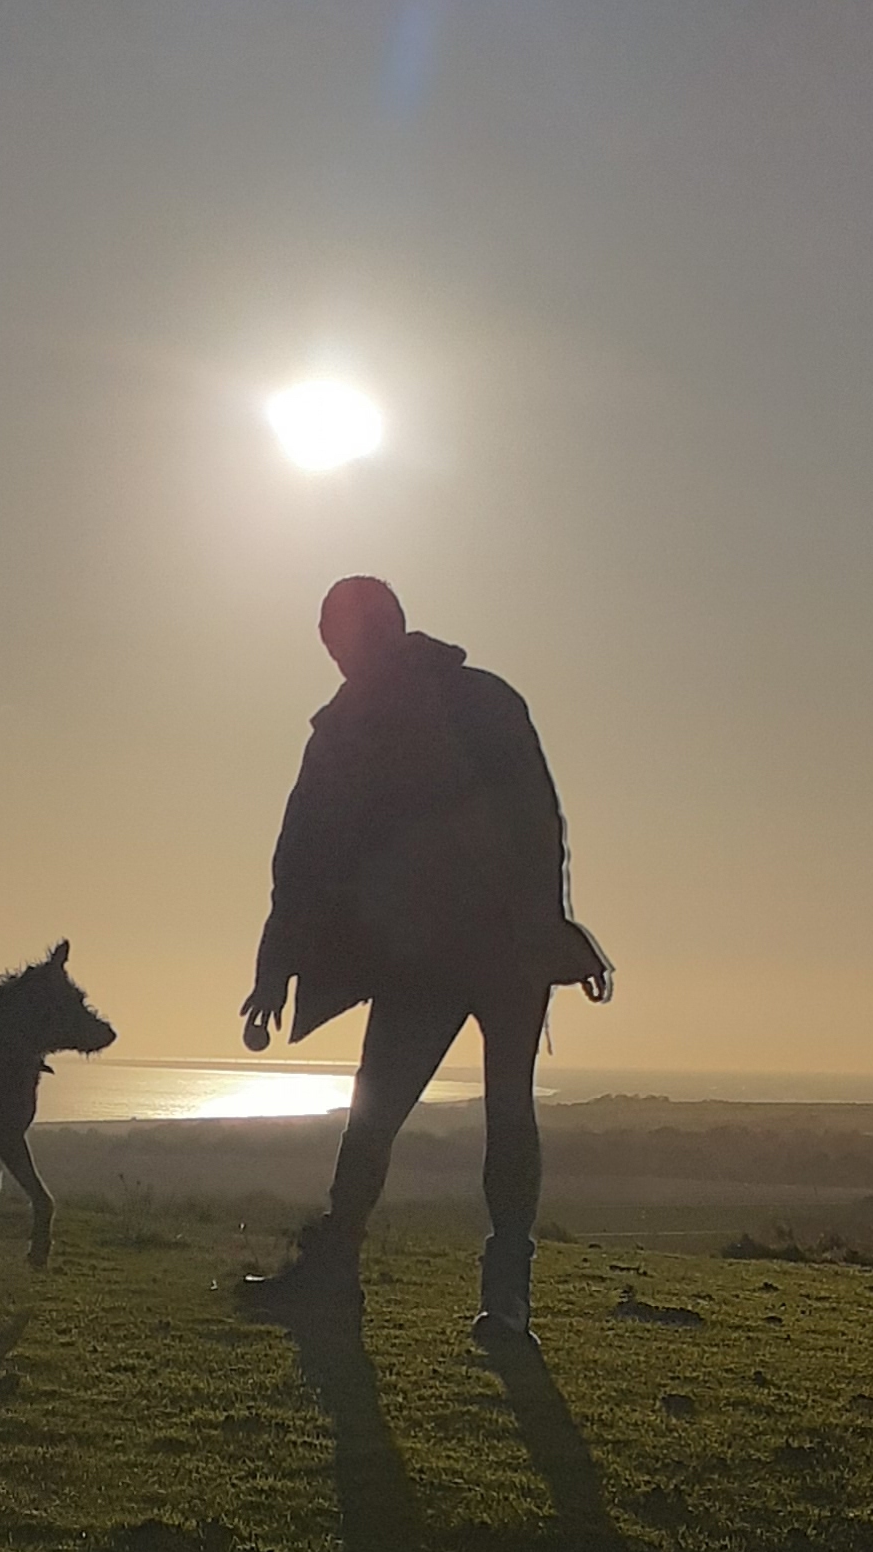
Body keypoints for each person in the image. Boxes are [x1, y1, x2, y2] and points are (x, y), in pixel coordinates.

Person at [237, 574, 610, 1342]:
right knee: (412, 1117)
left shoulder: (448, 707)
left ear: (374, 634)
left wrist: (544, 928)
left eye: (343, 640)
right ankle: (375, 1280)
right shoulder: (378, 721)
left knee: (446, 1116)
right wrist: (275, 962)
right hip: (456, 952)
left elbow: (537, 824)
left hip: (470, 950)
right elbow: (301, 856)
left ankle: (476, 1294)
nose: (341, 656)